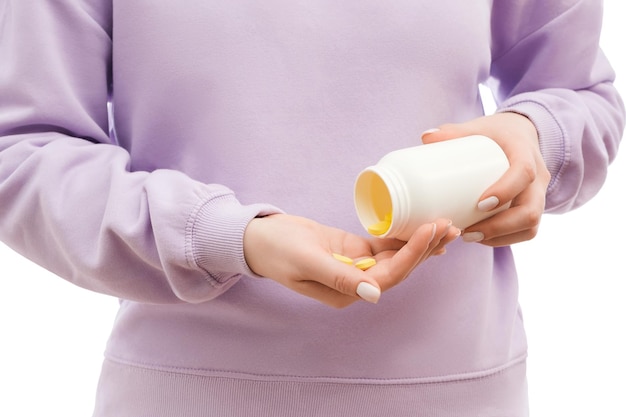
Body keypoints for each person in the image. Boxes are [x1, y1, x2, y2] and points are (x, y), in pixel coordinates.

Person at [0, 1, 623, 416]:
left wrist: (534, 135)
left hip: (453, 392)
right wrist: (228, 237)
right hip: (189, 399)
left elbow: (581, 95)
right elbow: (24, 151)